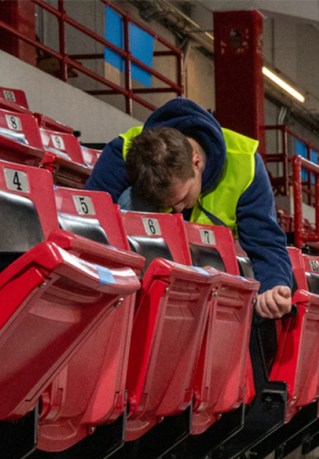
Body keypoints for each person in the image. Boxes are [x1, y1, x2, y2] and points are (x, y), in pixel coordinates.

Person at [86, 98, 293, 319]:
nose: (176, 209)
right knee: (128, 199)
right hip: (145, 282)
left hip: (211, 281)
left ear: (197, 162)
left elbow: (266, 241)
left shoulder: (246, 164)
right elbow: (88, 221)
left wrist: (274, 285)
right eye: (167, 204)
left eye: (183, 198)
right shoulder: (124, 152)